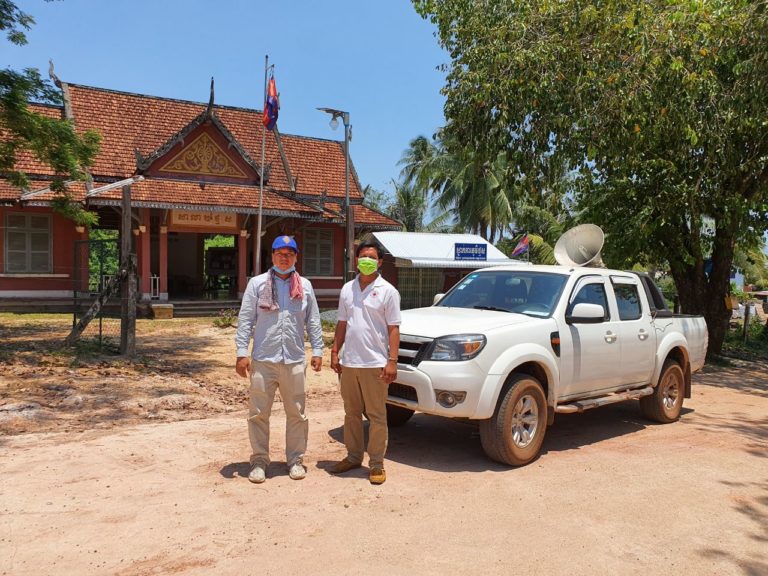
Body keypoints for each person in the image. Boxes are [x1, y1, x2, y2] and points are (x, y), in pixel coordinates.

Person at [235, 235, 323, 483]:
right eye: (280, 253)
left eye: (290, 254)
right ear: (272, 256)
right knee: (258, 414)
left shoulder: (305, 286)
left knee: (297, 414)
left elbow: (313, 320)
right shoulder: (257, 284)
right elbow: (246, 319)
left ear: (296, 257)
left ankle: (295, 461)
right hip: (263, 359)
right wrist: (241, 353)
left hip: (294, 360)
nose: (285, 258)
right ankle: (259, 461)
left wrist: (318, 350)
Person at [329, 241, 401, 485]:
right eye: (362, 256)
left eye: (371, 257)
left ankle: (377, 464)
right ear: (356, 260)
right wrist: (335, 351)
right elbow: (342, 323)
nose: (366, 260)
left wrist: (392, 361)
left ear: (379, 262)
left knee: (376, 415)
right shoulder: (347, 289)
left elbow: (393, 328)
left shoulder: (388, 291)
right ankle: (353, 457)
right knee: (351, 414)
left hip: (375, 363)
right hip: (350, 362)